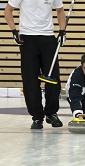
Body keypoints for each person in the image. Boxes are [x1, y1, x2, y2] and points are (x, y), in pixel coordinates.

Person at [4, 0, 66, 129]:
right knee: (30, 79)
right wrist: (14, 31)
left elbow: (60, 10)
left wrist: (62, 31)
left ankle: (51, 113)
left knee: (53, 78)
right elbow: (8, 10)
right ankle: (37, 117)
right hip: (27, 38)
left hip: (48, 38)